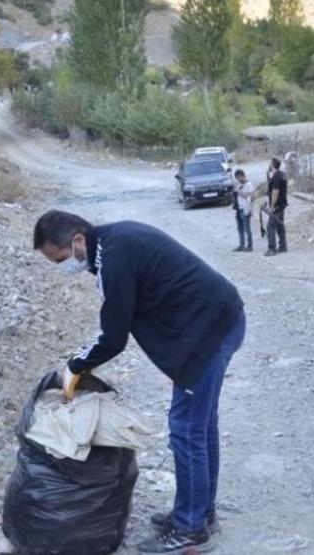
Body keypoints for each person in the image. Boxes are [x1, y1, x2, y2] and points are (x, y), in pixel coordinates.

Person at [34, 210, 245, 554]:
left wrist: (75, 366)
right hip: (214, 321)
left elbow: (113, 336)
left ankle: (191, 528)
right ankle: (198, 514)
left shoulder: (114, 257)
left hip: (211, 330)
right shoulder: (111, 244)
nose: (62, 267)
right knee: (200, 427)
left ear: (76, 240)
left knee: (187, 430)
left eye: (60, 259)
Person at [263, 157, 288, 256]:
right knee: (280, 225)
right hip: (282, 204)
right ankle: (283, 246)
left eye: (270, 163)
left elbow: (275, 192)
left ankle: (272, 249)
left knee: (270, 226)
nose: (269, 165)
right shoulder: (281, 174)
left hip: (277, 205)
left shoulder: (277, 176)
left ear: (272, 164)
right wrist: (268, 177)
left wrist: (272, 206)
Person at [232, 168, 254, 252]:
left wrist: (239, 192)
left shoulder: (249, 185)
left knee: (247, 228)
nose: (238, 180)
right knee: (240, 228)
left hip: (245, 209)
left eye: (238, 178)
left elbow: (251, 197)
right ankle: (241, 244)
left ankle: (249, 245)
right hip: (239, 208)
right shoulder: (240, 185)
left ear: (242, 176)